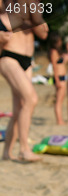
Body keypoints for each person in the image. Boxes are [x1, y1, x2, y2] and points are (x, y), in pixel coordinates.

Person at [0, 0, 48, 161]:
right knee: (31, 99)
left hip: (27, 61)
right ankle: (24, 149)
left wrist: (36, 20)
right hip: (9, 56)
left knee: (19, 108)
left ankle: (6, 152)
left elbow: (43, 34)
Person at [48, 31, 68, 125]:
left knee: (60, 100)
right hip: (59, 78)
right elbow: (54, 67)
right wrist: (57, 80)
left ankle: (60, 119)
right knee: (59, 101)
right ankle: (59, 120)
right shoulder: (53, 52)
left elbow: (59, 64)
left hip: (62, 77)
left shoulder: (57, 52)